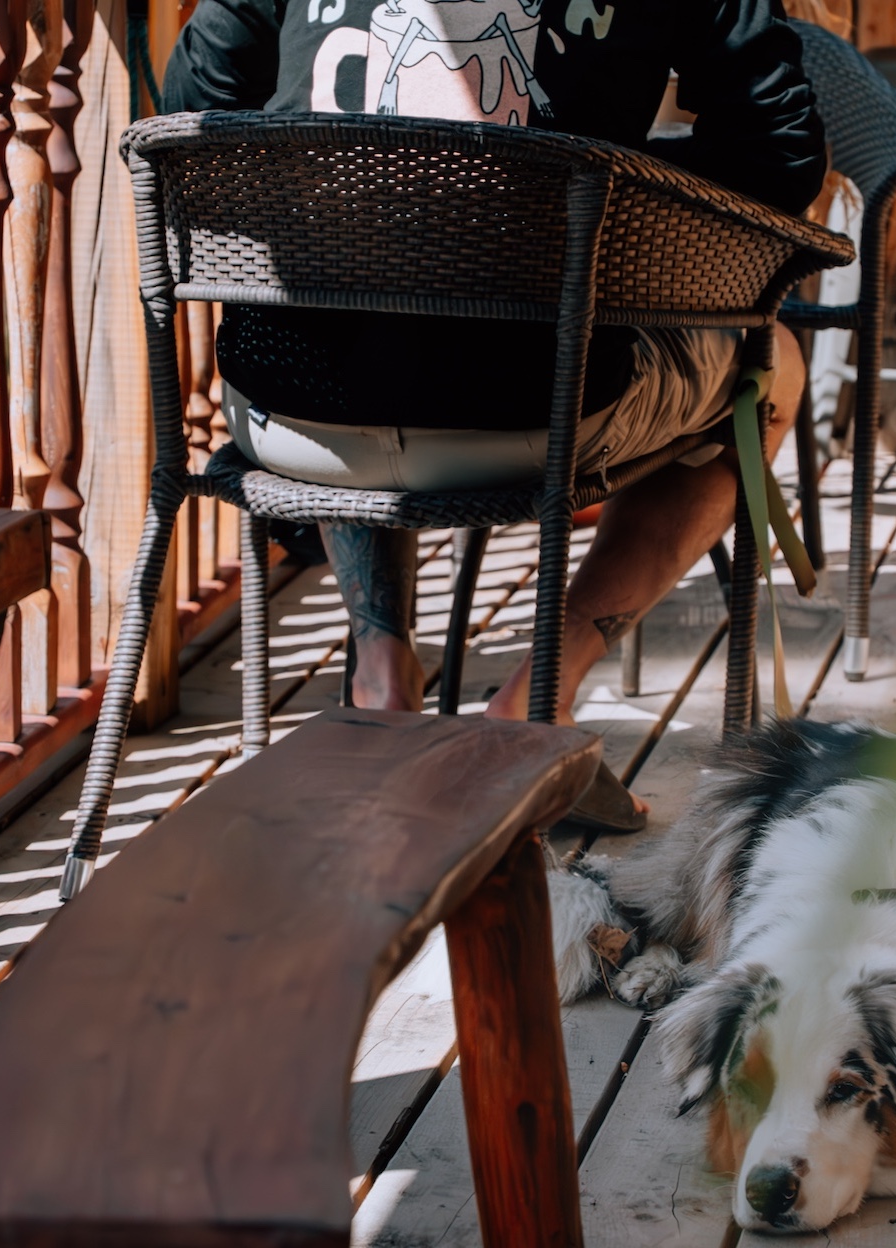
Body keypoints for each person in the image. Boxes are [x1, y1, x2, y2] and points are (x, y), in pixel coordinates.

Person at [163, 0, 827, 828]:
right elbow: (782, 154)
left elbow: (187, 111)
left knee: (370, 306)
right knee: (771, 376)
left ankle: (379, 677)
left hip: (291, 413)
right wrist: (626, 181)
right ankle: (532, 701)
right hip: (538, 410)